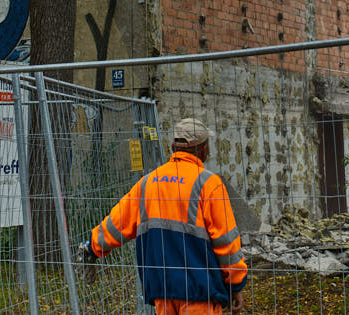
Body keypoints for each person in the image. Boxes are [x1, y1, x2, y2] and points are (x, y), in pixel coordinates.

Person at [79, 118, 247, 314]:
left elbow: (117, 223)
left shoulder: (149, 182)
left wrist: (92, 246)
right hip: (199, 291)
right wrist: (236, 284)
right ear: (203, 149)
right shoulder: (209, 184)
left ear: (172, 147)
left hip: (162, 290)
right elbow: (226, 241)